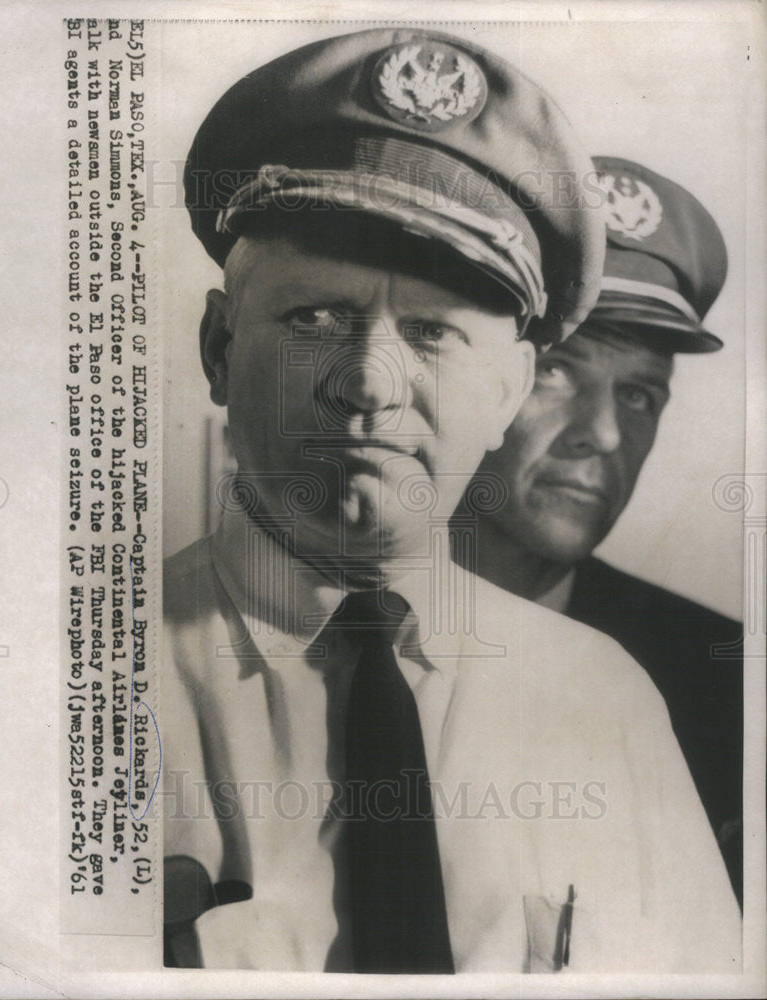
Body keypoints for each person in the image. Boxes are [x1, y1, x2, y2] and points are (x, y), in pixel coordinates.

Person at [163, 31, 741, 972]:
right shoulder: (74, 686)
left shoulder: (603, 704)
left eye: (430, 332)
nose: (368, 384)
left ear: (509, 390)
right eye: (315, 318)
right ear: (221, 349)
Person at [455, 157, 743, 907]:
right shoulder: (319, 628)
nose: (606, 434)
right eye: (556, 372)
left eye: (640, 394)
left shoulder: (728, 685)